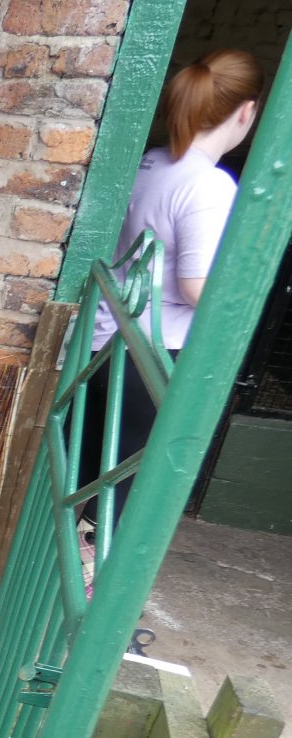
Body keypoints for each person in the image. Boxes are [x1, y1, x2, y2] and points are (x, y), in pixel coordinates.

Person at [81, 48, 264, 531]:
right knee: (122, 494)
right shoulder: (209, 185)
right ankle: (92, 575)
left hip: (105, 341)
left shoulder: (152, 162)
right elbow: (196, 287)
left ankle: (67, 570)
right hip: (154, 354)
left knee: (88, 479)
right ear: (246, 112)